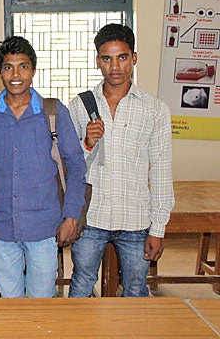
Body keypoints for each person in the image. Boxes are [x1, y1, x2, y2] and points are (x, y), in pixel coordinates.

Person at [68, 24, 174, 297]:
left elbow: (161, 172)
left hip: (136, 219)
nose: (115, 66)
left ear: (134, 58)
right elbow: (68, 166)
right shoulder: (80, 105)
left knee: (136, 290)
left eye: (122, 57)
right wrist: (88, 144)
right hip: (91, 217)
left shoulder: (155, 109)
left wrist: (158, 228)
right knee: (80, 285)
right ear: (97, 61)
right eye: (107, 58)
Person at [0, 36, 86, 298]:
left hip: (43, 228)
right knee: (10, 304)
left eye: (23, 66)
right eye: (8, 67)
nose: (16, 74)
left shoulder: (53, 112)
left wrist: (71, 216)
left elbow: (76, 165)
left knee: (41, 305)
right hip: (2, 229)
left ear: (33, 70)